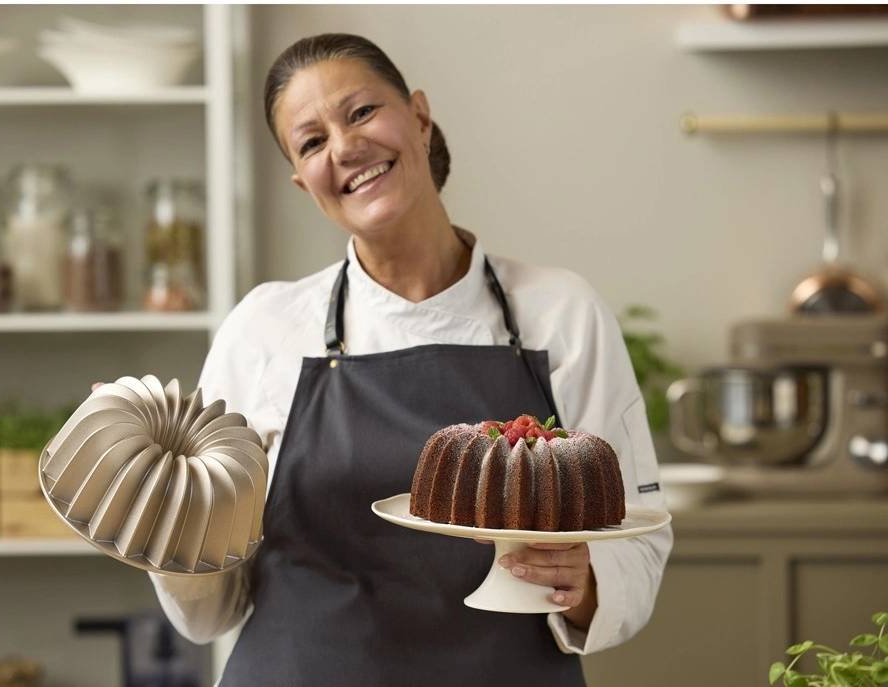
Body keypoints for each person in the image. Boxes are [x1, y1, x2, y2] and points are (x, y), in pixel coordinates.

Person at [148, 33, 673, 686]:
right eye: (312, 142)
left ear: (419, 117)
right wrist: (161, 525)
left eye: (361, 112)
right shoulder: (265, 329)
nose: (344, 148)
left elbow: (638, 544)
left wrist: (585, 578)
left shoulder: (560, 312)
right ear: (302, 180)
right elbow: (208, 613)